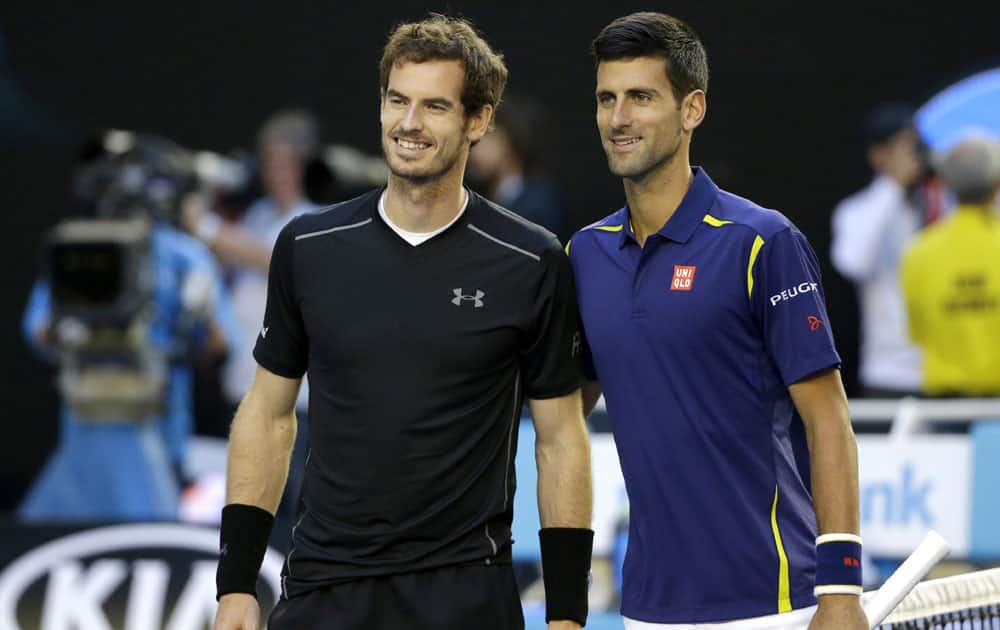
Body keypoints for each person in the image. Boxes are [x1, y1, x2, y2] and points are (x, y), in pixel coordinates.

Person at [213, 14, 593, 630]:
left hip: (468, 595)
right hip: (323, 589)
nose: (409, 124)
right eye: (397, 100)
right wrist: (236, 586)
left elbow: (559, 439)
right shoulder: (309, 246)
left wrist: (568, 615)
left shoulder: (533, 259)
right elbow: (268, 413)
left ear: (478, 121)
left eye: (434, 106)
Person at [565, 12, 866, 629]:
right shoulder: (583, 255)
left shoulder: (762, 241)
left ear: (691, 109)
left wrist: (841, 591)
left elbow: (828, 418)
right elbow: (561, 418)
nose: (618, 119)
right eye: (606, 99)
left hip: (776, 602)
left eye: (641, 97)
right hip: (647, 607)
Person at [20, 137, 241, 521]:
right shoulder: (81, 248)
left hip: (156, 420)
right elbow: (38, 331)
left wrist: (198, 316)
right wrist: (78, 327)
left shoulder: (185, 257)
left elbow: (221, 349)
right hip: (86, 423)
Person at [184, 109, 320, 529]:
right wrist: (207, 193)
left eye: (286, 163)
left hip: (293, 399)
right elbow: (218, 262)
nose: (276, 173)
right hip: (244, 386)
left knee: (291, 503)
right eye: (270, 162)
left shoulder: (315, 218)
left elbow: (270, 257)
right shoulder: (257, 216)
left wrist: (204, 226)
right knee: (244, 500)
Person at [830, 104, 928, 397]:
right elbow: (852, 263)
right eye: (902, 147)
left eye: (915, 147)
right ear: (878, 155)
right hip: (888, 372)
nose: (912, 157)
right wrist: (893, 185)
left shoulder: (935, 207)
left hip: (939, 371)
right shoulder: (857, 210)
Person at [901, 136, 1000, 397]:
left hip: (944, 408)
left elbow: (917, 331)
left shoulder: (919, 251)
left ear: (947, 185)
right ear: (996, 183)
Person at [468, 92, 569, 240]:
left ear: (509, 139)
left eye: (486, 137)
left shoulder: (539, 203)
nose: (474, 149)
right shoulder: (476, 199)